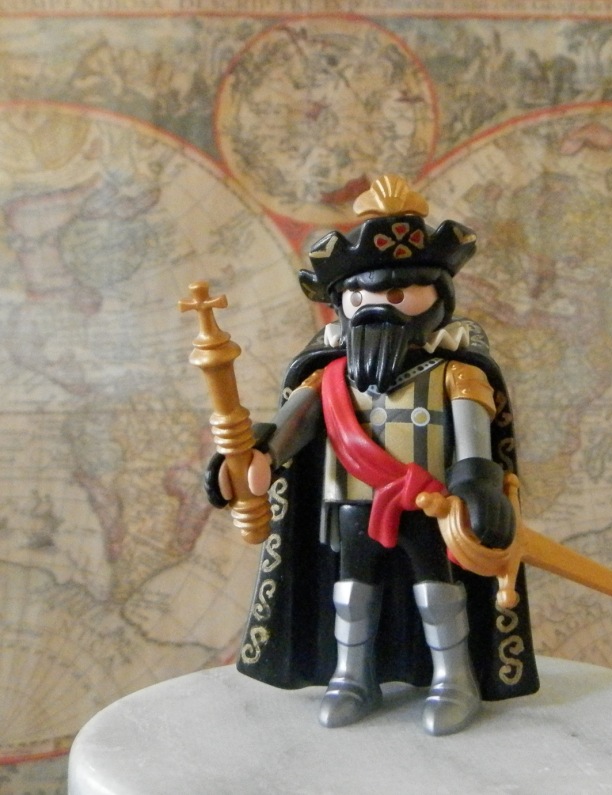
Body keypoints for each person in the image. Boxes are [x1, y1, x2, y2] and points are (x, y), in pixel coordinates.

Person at [205, 175, 538, 736]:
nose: (378, 309)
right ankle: (351, 676)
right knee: (351, 591)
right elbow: (288, 434)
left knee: (437, 591)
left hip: (429, 507)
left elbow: (475, 446)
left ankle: (454, 679)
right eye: (360, 298)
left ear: (437, 298)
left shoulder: (457, 374)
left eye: (399, 296)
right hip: (352, 505)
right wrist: (252, 461)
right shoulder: (329, 378)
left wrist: (478, 484)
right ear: (341, 306)